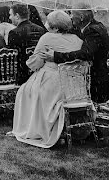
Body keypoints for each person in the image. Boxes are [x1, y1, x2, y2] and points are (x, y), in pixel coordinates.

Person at [10, 10, 83, 148]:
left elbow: (36, 62)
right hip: (75, 85)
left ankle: (36, 128)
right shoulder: (77, 39)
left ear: (54, 27)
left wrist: (30, 62)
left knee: (25, 92)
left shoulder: (47, 37)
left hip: (53, 81)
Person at [42, 9, 109, 103]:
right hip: (102, 76)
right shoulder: (97, 26)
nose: (70, 17)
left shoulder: (92, 30)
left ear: (81, 17)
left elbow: (85, 54)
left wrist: (56, 56)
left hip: (97, 83)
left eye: (72, 14)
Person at [8, 3, 46, 85]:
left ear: (17, 16)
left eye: (11, 15)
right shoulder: (40, 29)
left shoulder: (14, 33)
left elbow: (13, 56)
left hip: (23, 74)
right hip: (39, 71)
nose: (9, 18)